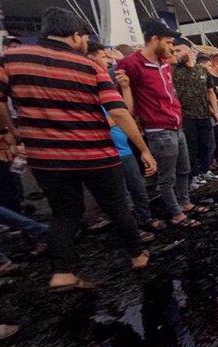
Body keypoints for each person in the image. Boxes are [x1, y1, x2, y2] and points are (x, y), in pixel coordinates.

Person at [0, 7, 155, 287]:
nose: (85, 43)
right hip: (96, 154)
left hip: (47, 158)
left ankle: (63, 272)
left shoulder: (12, 58)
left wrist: (8, 131)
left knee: (65, 213)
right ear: (74, 35)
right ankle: (138, 256)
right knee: (118, 206)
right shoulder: (90, 67)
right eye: (84, 37)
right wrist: (143, 148)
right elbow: (118, 112)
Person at [118, 20, 208, 228]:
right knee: (167, 177)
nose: (171, 47)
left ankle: (184, 202)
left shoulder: (165, 64)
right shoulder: (131, 65)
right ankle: (176, 213)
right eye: (168, 42)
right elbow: (124, 102)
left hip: (176, 125)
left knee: (184, 169)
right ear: (154, 39)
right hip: (158, 129)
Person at [86, 41, 166, 236]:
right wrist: (118, 118)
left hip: (125, 148)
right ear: (91, 58)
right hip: (107, 151)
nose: (108, 60)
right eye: (104, 56)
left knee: (137, 187)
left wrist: (126, 88)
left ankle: (144, 218)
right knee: (121, 194)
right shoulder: (86, 87)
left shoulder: (106, 84)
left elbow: (126, 111)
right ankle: (132, 230)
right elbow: (113, 118)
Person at [172, 42, 218, 189]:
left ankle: (205, 170)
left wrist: (216, 112)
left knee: (206, 145)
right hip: (186, 116)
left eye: (178, 50)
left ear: (188, 51)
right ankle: (194, 175)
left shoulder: (202, 70)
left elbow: (210, 92)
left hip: (204, 114)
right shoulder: (175, 71)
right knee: (191, 147)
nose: (176, 54)